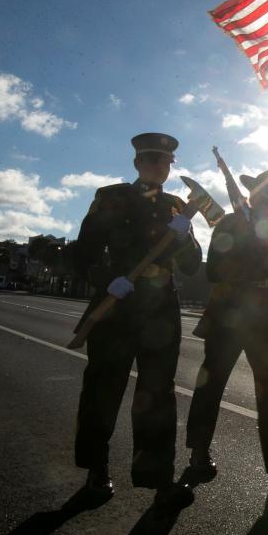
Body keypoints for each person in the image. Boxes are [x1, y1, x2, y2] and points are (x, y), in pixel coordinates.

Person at [71, 132, 202, 509]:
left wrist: (186, 236)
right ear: (137, 163)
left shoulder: (179, 206)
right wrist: (103, 278)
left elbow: (192, 265)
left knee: (158, 393)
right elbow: (83, 253)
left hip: (160, 308)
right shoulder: (111, 197)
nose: (159, 167)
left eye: (165, 162)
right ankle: (96, 468)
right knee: (103, 388)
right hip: (117, 303)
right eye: (151, 160)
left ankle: (158, 477)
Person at [184, 168, 268, 483]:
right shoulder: (230, 224)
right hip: (227, 317)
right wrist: (245, 258)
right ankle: (198, 453)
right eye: (266, 197)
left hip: (264, 323)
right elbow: (214, 271)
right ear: (253, 195)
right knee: (211, 386)